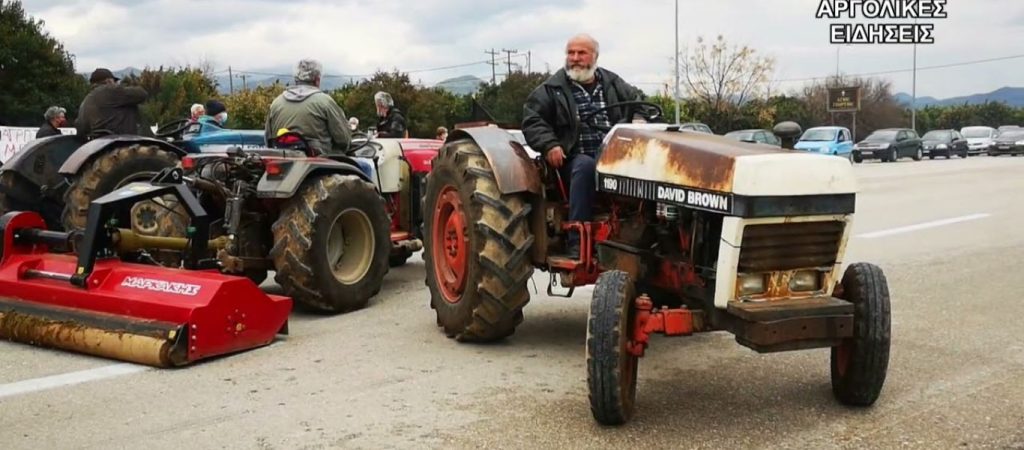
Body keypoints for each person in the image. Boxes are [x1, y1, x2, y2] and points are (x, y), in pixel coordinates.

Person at [521, 33, 645, 256]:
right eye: (571, 53)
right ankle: (576, 241)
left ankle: (645, 235)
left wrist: (639, 120)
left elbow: (639, 104)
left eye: (581, 53)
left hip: (614, 156)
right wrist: (550, 144)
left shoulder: (613, 83)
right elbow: (532, 120)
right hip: (572, 159)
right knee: (586, 166)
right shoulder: (551, 89)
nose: (575, 58)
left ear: (595, 56)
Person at [264, 59, 351, 154]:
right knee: (365, 166)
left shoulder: (277, 103)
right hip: (319, 164)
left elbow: (268, 139)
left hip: (283, 163)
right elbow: (343, 140)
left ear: (296, 80)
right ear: (317, 80)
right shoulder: (325, 102)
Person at [75, 68, 150, 137]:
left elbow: (80, 128)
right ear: (109, 81)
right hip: (122, 143)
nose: (117, 84)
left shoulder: (85, 102)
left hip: (97, 146)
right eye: (115, 81)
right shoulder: (110, 90)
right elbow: (142, 94)